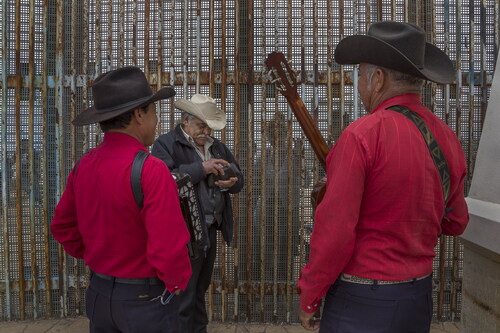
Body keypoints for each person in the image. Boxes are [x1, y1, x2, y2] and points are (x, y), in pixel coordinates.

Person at [297, 21, 469, 332]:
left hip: (362, 301)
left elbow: (334, 233)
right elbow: (456, 222)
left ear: (378, 79)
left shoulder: (361, 135)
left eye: (359, 75)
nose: (358, 84)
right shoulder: (447, 138)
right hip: (417, 298)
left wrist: (310, 294)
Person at [51, 66, 192, 333]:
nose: (157, 121)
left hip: (100, 295)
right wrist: (175, 285)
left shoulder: (84, 165)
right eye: (154, 113)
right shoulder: (152, 169)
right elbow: (169, 249)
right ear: (139, 115)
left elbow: (62, 227)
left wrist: (99, 255)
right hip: (146, 301)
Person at [152, 94, 244, 333]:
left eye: (208, 126)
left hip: (210, 227)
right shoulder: (166, 143)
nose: (205, 131)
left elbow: (239, 179)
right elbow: (164, 180)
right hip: (184, 231)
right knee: (184, 290)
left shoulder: (217, 146)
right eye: (200, 125)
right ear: (185, 120)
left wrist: (231, 183)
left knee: (200, 286)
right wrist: (200, 168)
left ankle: (198, 329)